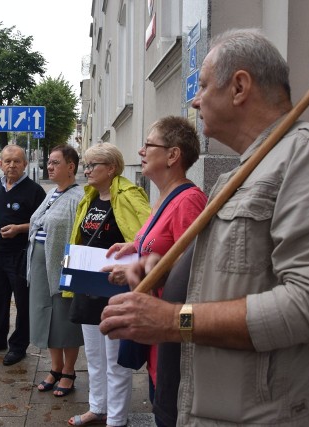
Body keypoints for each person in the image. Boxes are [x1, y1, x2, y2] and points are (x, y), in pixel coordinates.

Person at [100, 28, 309, 426]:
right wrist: (164, 268)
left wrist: (174, 319)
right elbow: (243, 269)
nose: (195, 100)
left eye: (204, 85)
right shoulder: (246, 168)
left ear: (240, 86)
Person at [103, 116, 207, 427]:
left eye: (149, 144)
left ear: (173, 155)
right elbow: (157, 243)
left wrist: (144, 274)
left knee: (169, 414)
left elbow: (195, 272)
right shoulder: (164, 195)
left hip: (174, 336)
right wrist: (132, 248)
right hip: (157, 337)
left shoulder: (189, 201)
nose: (141, 151)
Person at [67, 143, 150, 427]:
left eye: (93, 166)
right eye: (86, 165)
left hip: (115, 288)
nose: (86, 170)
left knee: (115, 359)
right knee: (93, 355)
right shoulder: (89, 196)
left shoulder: (129, 195)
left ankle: (116, 419)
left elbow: (148, 237)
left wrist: (132, 248)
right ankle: (97, 407)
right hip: (88, 285)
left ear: (111, 168)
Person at [0, 145, 46, 366]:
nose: (12, 165)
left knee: (23, 304)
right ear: (0, 164)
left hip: (21, 255)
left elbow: (43, 222)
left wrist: (19, 228)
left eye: (17, 161)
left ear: (25, 164)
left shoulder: (35, 191)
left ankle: (18, 346)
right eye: (7, 161)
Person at [28, 145, 85, 397]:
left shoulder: (78, 197)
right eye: (48, 162)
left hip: (62, 266)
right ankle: (55, 367)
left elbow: (79, 236)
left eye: (55, 162)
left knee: (64, 319)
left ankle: (69, 371)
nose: (49, 167)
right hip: (40, 265)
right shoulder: (51, 193)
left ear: (70, 167)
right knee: (45, 315)